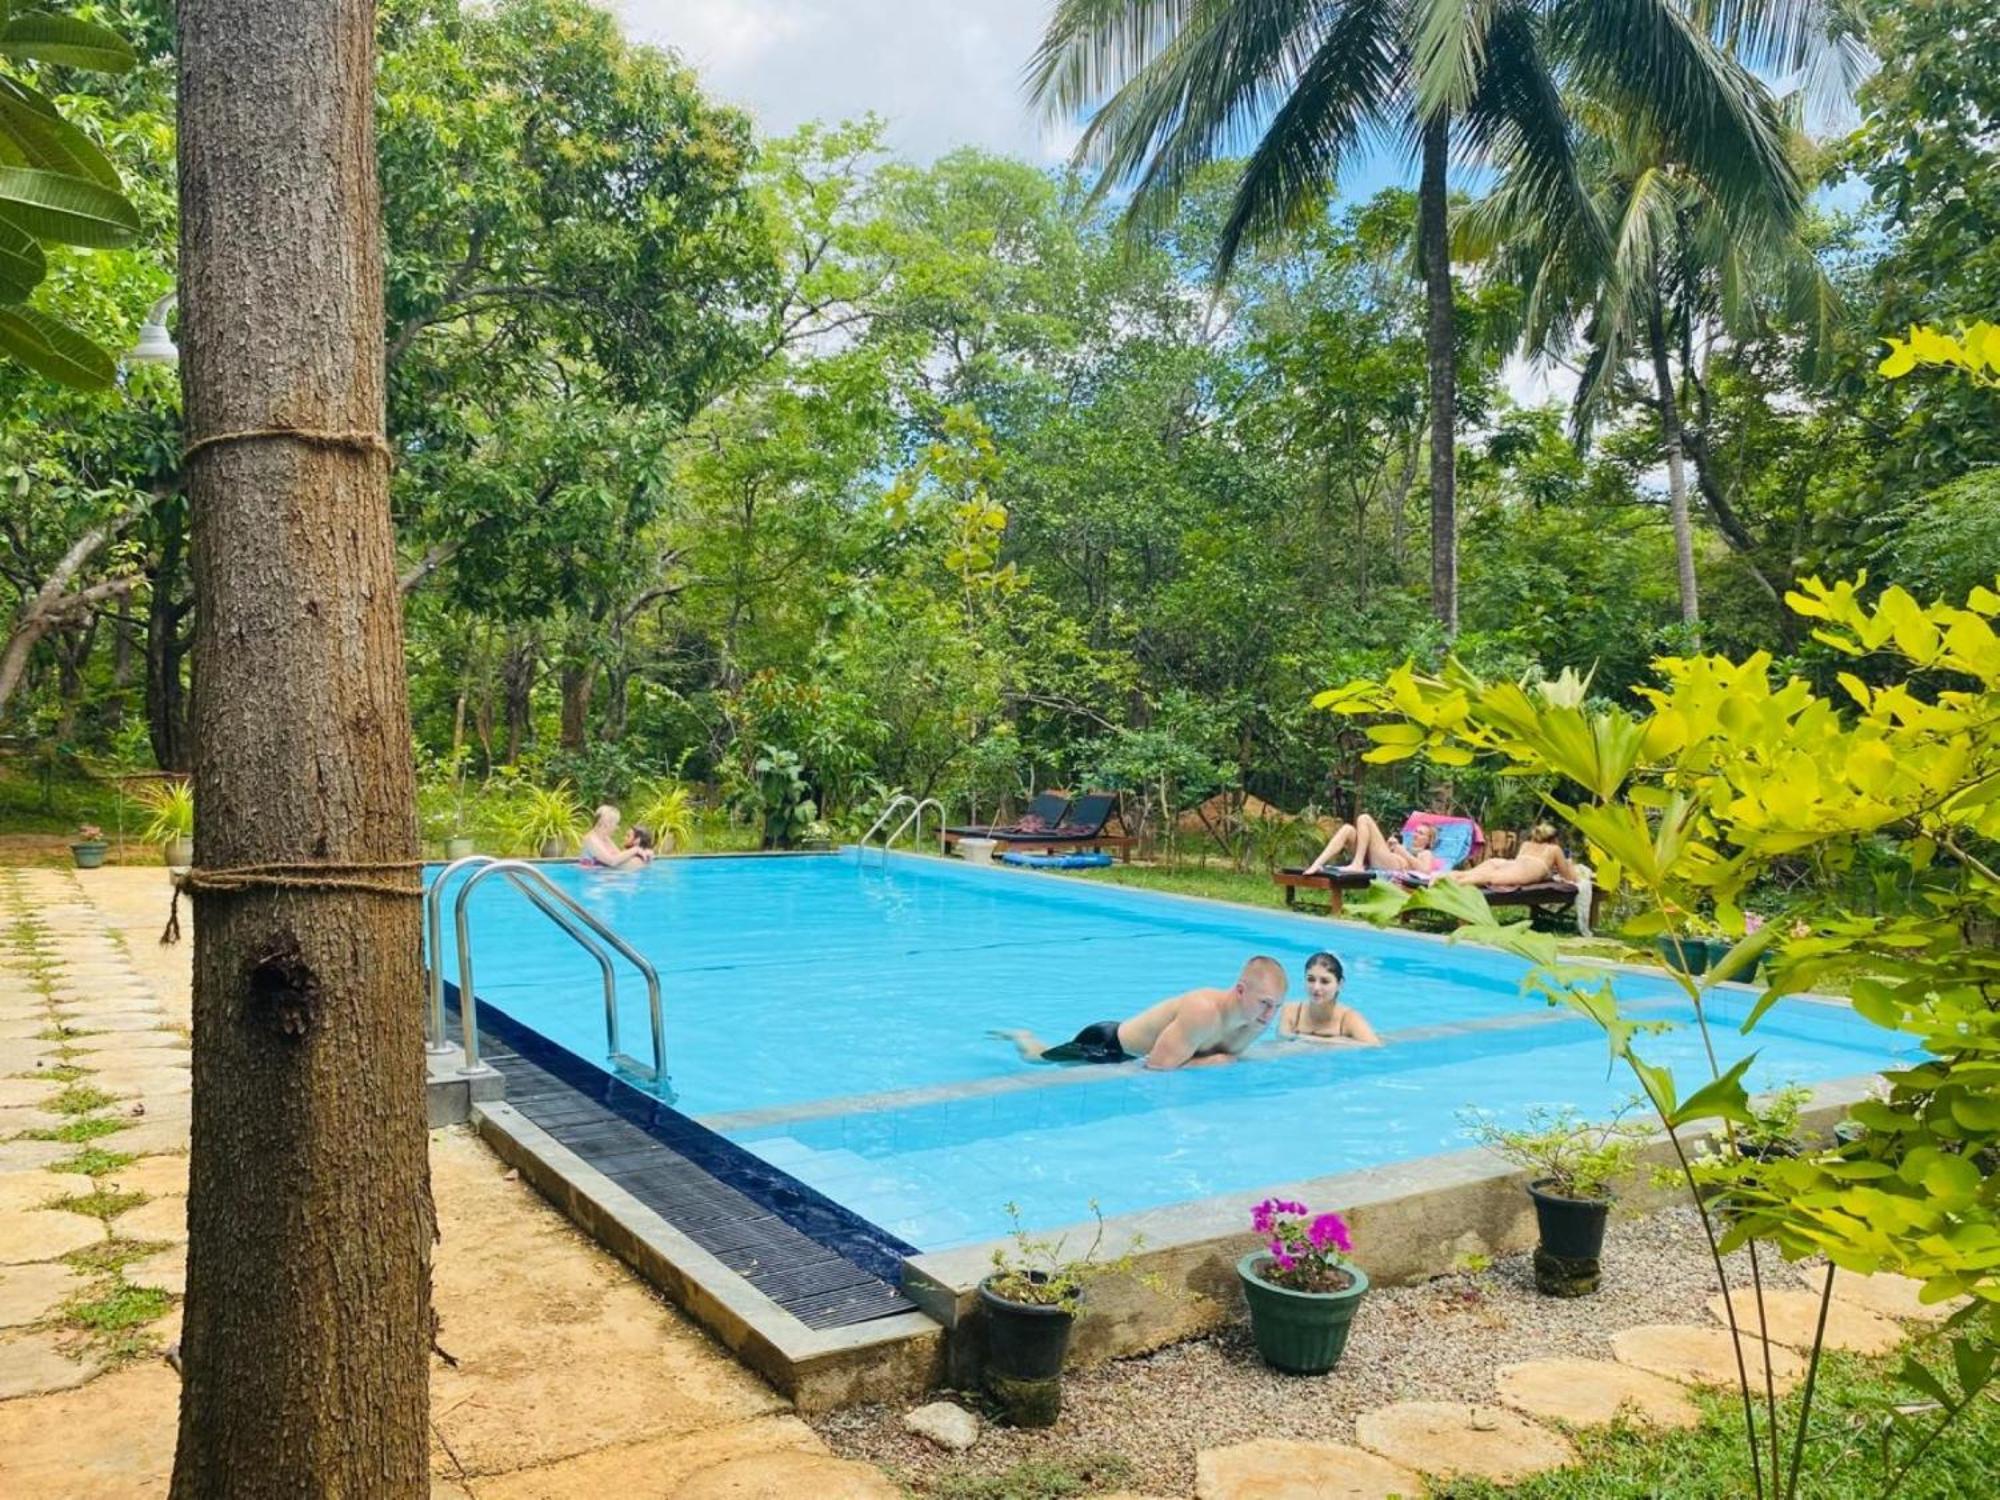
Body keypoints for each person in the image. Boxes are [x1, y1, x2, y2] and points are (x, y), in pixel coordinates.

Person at [990, 956, 1287, 1070]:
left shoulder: (1255, 1022)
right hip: (1106, 1045)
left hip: (1132, 1053)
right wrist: (1215, 1061)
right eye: (1265, 1003)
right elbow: (1157, 1067)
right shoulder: (1202, 1009)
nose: (1270, 1014)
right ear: (1240, 990)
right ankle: (1023, 1036)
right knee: (1038, 1060)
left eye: (1276, 1006)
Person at [1277, 952, 1381, 1046]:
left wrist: (1312, 1040)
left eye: (1325, 981)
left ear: (1340, 984)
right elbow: (1282, 1043)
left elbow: (1374, 1046)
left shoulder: (1349, 1018)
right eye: (1311, 979)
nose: (1316, 987)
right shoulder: (1291, 1011)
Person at [1304, 813, 1441, 878]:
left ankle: (1357, 864)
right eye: (1416, 832)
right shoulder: (1407, 847)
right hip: (1382, 860)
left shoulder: (1425, 853)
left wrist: (1401, 851)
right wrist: (1392, 848)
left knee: (1364, 818)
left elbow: (1425, 871)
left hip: (1395, 865)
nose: (1416, 835)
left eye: (1421, 833)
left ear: (1429, 841)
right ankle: (1317, 863)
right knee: (1347, 829)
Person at [1449, 821, 1575, 887]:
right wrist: (1569, 863)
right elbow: (1569, 878)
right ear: (1553, 839)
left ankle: (1446, 877)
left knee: (1473, 873)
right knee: (1489, 877)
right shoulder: (1554, 849)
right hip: (1521, 871)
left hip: (1512, 865)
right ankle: (1452, 885)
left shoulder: (1526, 844)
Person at [579, 805, 651, 869]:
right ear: (607, 824)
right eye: (616, 824)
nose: (617, 828)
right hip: (592, 881)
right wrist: (636, 850)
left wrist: (642, 855)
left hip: (603, 877)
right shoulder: (591, 840)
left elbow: (619, 856)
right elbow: (612, 861)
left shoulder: (605, 838)